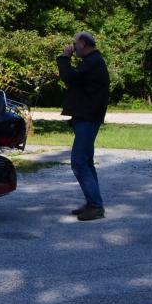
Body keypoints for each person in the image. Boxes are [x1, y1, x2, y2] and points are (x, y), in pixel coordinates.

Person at [57, 31, 110, 221]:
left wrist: (64, 57)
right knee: (86, 161)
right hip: (86, 117)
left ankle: (96, 206)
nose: (73, 46)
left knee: (79, 161)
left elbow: (68, 77)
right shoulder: (91, 62)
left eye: (75, 44)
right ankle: (92, 202)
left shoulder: (93, 62)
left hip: (89, 118)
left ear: (84, 44)